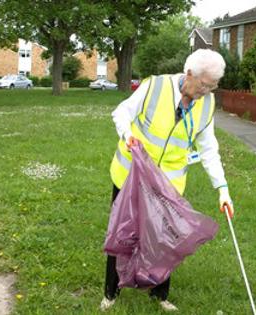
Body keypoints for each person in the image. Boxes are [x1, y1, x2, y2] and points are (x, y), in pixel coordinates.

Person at [100, 49, 234, 312]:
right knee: (123, 234)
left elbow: (208, 149)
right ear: (189, 74)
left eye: (213, 86)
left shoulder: (206, 104)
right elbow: (121, 112)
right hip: (130, 176)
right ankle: (111, 293)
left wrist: (222, 189)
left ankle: (159, 294)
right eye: (205, 84)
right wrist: (128, 135)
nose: (207, 91)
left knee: (166, 238)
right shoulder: (155, 86)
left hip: (169, 185)